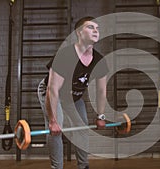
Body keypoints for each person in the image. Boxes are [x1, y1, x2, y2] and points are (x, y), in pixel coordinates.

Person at [37, 16, 108, 169]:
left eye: (97, 28)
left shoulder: (100, 61)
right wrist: (53, 121)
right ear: (79, 32)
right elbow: (52, 89)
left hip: (73, 96)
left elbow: (102, 91)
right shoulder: (65, 56)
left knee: (82, 128)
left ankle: (83, 166)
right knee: (56, 130)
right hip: (50, 92)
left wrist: (101, 116)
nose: (95, 30)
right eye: (90, 27)